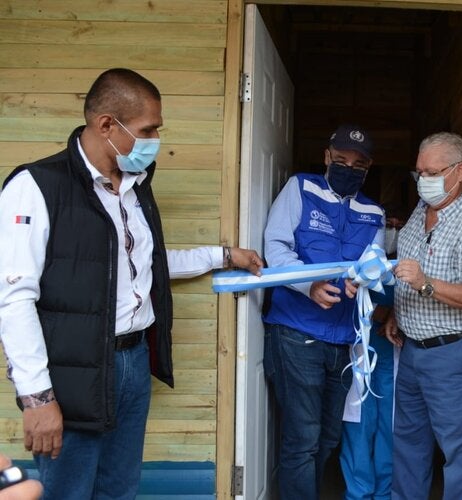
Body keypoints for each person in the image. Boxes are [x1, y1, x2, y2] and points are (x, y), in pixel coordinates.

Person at [0, 68, 263, 500]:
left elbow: (146, 262)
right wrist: (37, 397)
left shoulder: (135, 187)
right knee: (68, 491)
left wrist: (224, 256)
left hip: (132, 362)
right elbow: (14, 300)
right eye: (147, 129)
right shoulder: (37, 188)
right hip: (73, 373)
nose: (155, 139)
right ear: (107, 125)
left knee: (120, 489)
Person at [262, 124, 385, 499]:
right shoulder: (301, 189)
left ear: (368, 167)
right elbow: (276, 247)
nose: (349, 167)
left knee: (328, 436)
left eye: (359, 164)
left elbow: (374, 264)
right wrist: (308, 286)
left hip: (345, 343)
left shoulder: (373, 211)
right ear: (326, 157)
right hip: (297, 333)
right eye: (341, 159)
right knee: (303, 438)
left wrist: (362, 281)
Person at [383, 132, 462, 500]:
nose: (422, 181)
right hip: (413, 350)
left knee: (456, 453)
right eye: (418, 173)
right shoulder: (419, 211)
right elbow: (408, 270)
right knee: (409, 444)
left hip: (453, 354)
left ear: (459, 171)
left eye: (431, 173)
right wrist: (397, 313)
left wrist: (425, 283)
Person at [339, 214, 403, 500]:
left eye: (396, 227)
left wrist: (392, 313)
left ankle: (385, 493)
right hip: (360, 350)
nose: (392, 230)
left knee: (391, 426)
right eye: (388, 225)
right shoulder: (354, 258)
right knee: (359, 425)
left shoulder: (407, 266)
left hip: (394, 350)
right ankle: (359, 493)